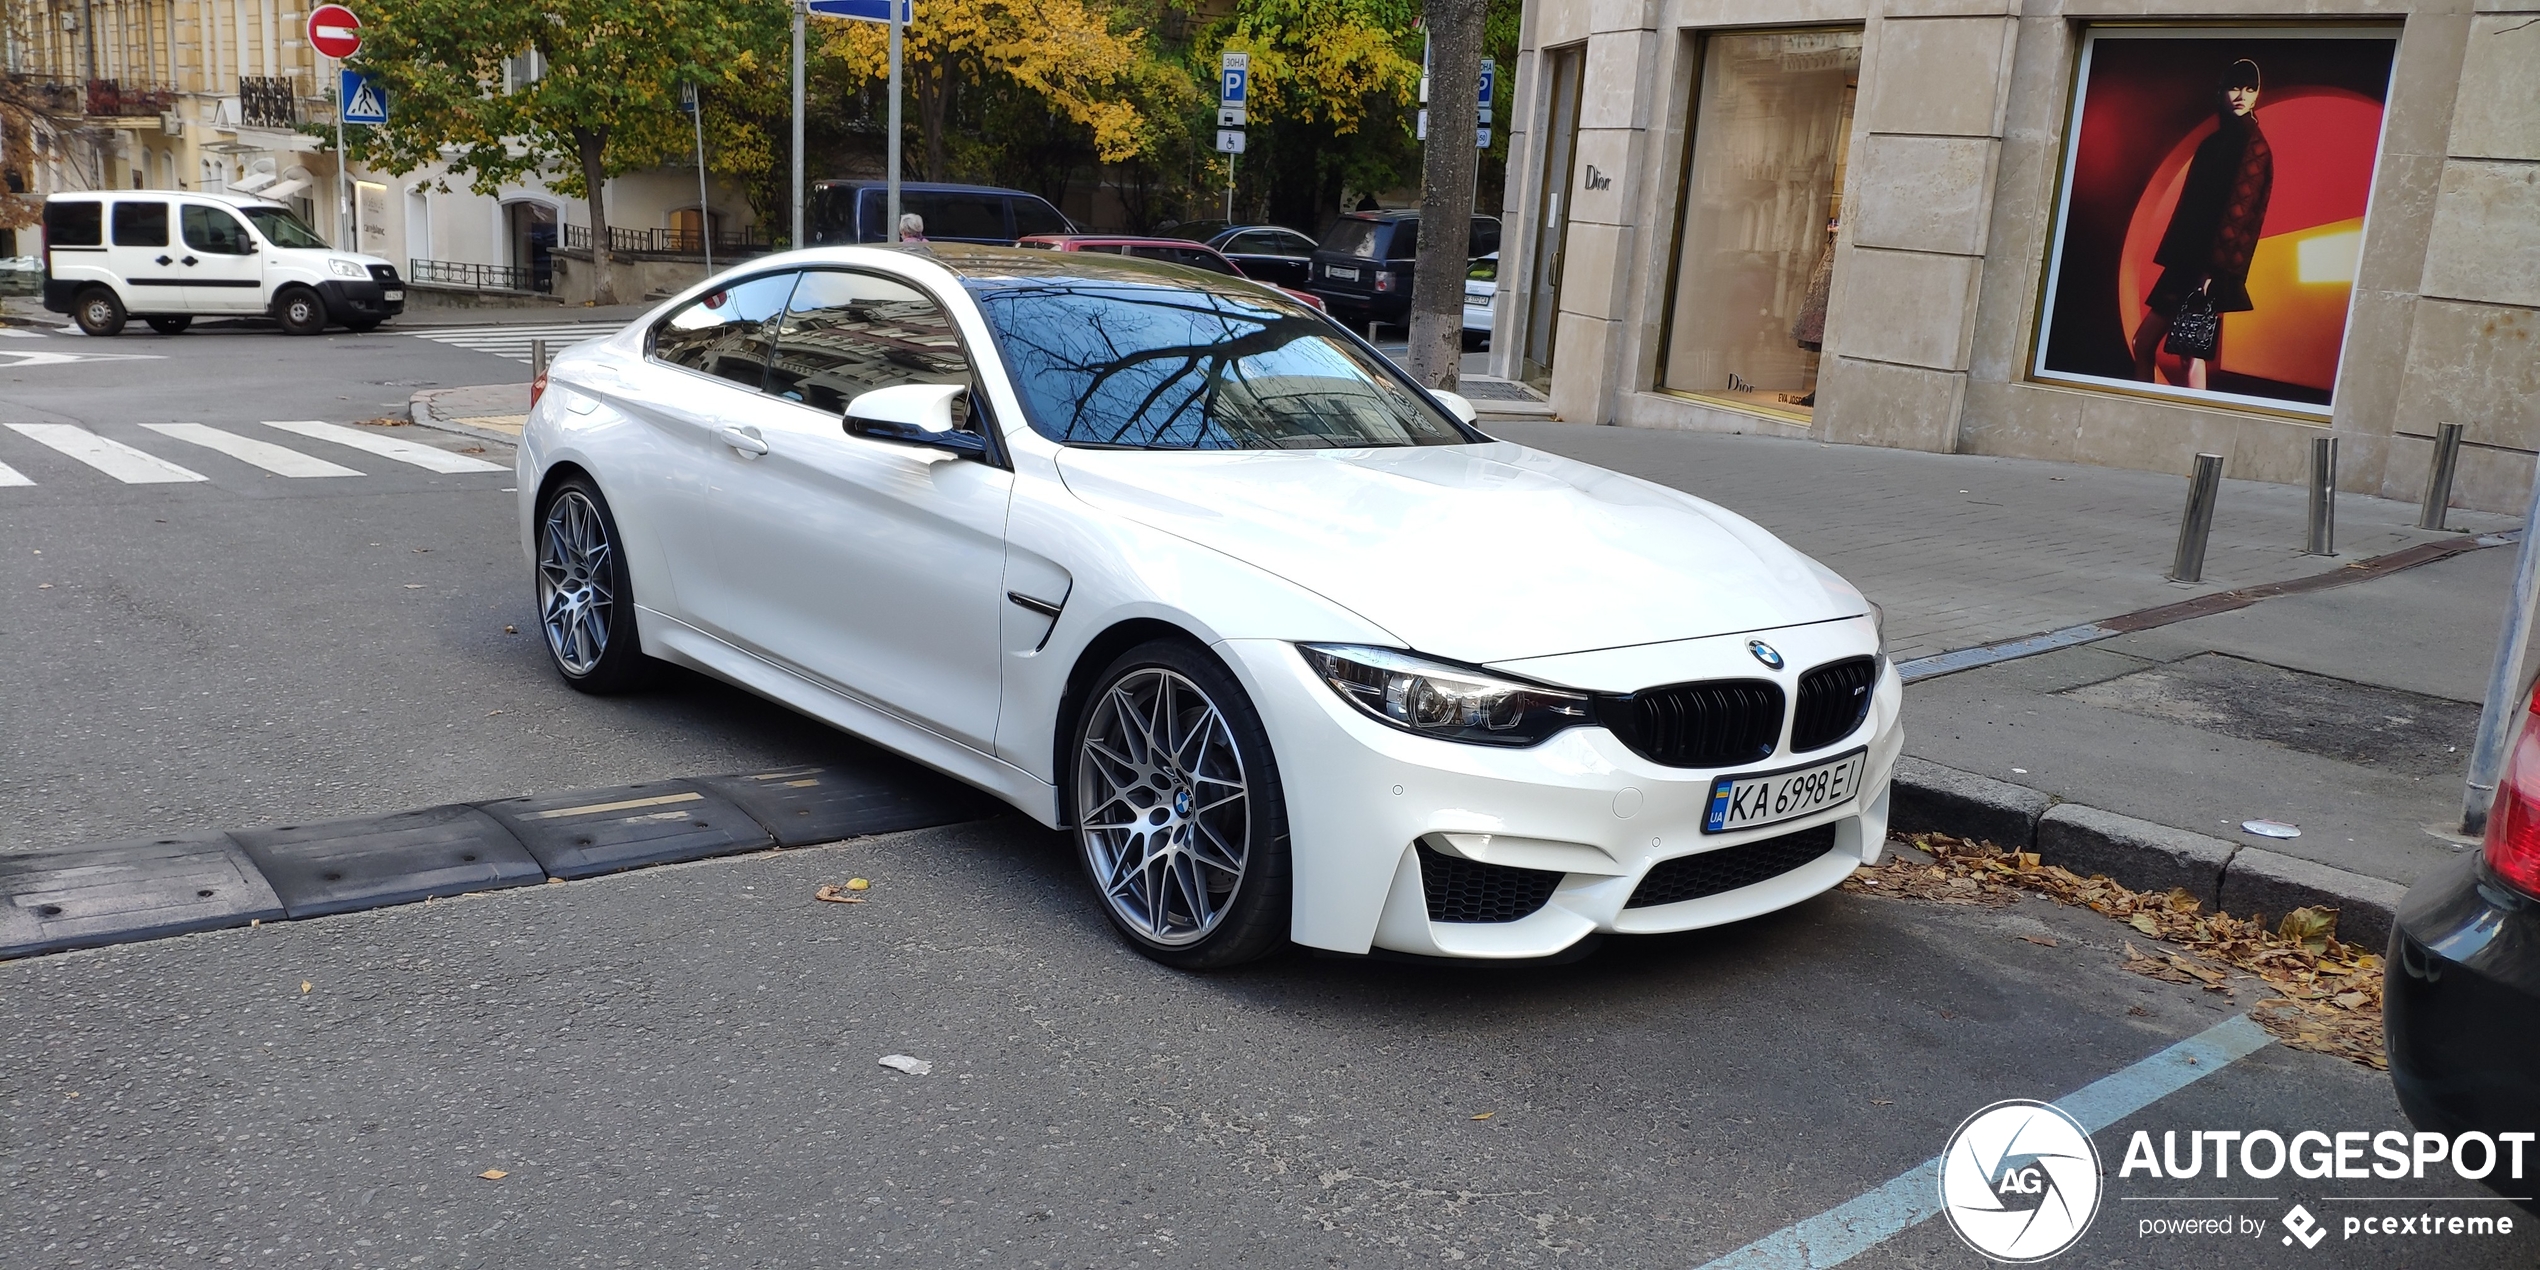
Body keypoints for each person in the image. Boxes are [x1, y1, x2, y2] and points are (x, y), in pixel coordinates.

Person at [2131, 59, 2272, 391]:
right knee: (2148, 345)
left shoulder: (2255, 148)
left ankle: (2187, 423)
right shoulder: (2212, 144)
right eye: (2235, 87)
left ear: (2256, 95)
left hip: (2211, 268)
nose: (2242, 95)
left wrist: (2212, 272)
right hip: (2187, 263)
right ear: (2221, 92)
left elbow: (2241, 215)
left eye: (2250, 89)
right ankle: (2144, 410)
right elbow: (2190, 209)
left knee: (2189, 356)